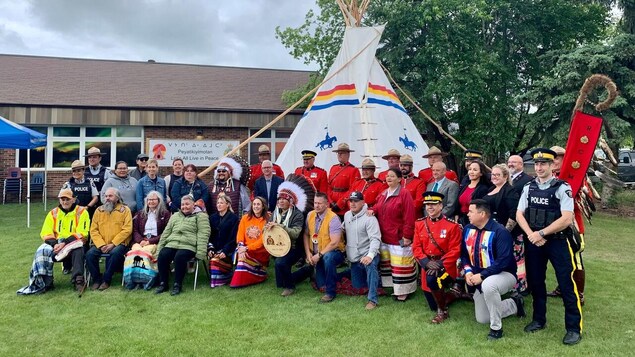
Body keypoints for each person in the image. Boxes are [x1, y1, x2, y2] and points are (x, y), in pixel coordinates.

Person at [516, 148, 583, 345]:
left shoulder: (563, 187)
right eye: (536, 164)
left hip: (558, 242)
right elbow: (520, 214)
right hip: (535, 241)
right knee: (536, 282)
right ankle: (539, 320)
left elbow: (567, 218)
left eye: (543, 163)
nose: (539, 167)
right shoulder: (528, 187)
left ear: (553, 165)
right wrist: (531, 235)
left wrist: (542, 233)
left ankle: (573, 328)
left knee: (566, 284)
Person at [462, 199, 524, 340]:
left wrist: (482, 275)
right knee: (483, 318)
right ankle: (514, 304)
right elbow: (464, 254)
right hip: (479, 276)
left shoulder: (500, 232)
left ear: (482, 214)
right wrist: (468, 271)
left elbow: (503, 261)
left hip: (504, 274)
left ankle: (496, 328)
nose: (467, 214)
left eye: (471, 211)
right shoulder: (467, 229)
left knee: (489, 285)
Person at [17, 187, 90, 295]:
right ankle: (44, 282)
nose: (65, 202)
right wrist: (55, 244)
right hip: (56, 243)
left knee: (78, 249)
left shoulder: (82, 212)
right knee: (42, 250)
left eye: (67, 199)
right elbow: (45, 232)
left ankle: (78, 280)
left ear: (74, 199)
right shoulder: (53, 213)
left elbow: (83, 233)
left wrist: (64, 243)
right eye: (62, 199)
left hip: (74, 242)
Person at [412, 192, 462, 323]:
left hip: (446, 266)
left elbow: (455, 250)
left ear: (441, 206)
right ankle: (455, 293)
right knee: (432, 305)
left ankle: (443, 311)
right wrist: (426, 262)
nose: (430, 207)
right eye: (427, 205)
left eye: (433, 204)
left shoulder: (452, 226)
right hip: (427, 265)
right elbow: (416, 247)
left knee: (433, 279)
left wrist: (440, 264)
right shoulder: (420, 224)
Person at [547, 145, 587, 305]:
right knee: (560, 259)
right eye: (552, 158)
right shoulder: (551, 176)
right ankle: (562, 287)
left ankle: (580, 293)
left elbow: (579, 201)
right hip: (552, 225)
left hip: (571, 225)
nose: (554, 161)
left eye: (557, 157)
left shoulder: (576, 177)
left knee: (576, 258)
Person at [369, 168, 417, 301]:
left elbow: (409, 216)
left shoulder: (404, 193)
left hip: (399, 237)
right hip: (385, 236)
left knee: (401, 264)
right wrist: (372, 210)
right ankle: (393, 287)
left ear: (399, 179)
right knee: (390, 264)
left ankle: (404, 291)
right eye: (387, 176)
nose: (388, 178)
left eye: (392, 176)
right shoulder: (384, 193)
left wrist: (407, 236)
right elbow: (378, 207)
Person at [295, 192, 345, 303]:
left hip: (334, 252)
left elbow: (335, 243)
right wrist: (308, 253)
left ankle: (330, 293)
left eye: (320, 203)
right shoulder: (310, 215)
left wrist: (319, 255)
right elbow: (306, 234)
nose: (316, 206)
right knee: (321, 284)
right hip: (317, 254)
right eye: (315, 203)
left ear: (327, 204)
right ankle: (321, 273)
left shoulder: (333, 218)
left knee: (329, 258)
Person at [156, 194, 210, 295]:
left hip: (189, 245)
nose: (184, 206)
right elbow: (166, 233)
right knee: (163, 255)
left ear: (193, 205)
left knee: (179, 257)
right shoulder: (175, 216)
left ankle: (177, 285)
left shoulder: (201, 216)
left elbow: (203, 234)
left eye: (187, 204)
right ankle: (163, 283)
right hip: (172, 243)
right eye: (182, 204)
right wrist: (160, 248)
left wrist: (201, 252)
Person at [483, 164, 524, 292]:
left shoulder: (510, 190)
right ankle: (497, 286)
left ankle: (518, 289)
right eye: (492, 174)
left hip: (509, 233)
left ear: (505, 176)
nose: (494, 177)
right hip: (491, 232)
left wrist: (505, 232)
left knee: (513, 260)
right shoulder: (490, 189)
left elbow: (514, 213)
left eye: (497, 175)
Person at [86, 187, 133, 290]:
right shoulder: (99, 210)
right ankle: (97, 279)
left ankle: (106, 280)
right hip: (101, 244)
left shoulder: (125, 210)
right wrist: (101, 244)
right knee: (89, 254)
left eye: (110, 196)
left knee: (114, 253)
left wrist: (113, 243)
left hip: (119, 244)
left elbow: (127, 230)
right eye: (106, 196)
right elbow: (93, 230)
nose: (107, 198)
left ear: (117, 198)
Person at [342, 191, 381, 310]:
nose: (353, 204)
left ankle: (372, 299)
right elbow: (343, 227)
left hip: (368, 254)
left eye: (356, 201)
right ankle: (377, 282)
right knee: (358, 286)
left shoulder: (370, 218)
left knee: (371, 267)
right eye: (351, 201)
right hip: (354, 257)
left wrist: (370, 255)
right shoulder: (347, 215)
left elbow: (375, 239)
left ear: (363, 202)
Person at [124, 191, 171, 290]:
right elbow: (135, 230)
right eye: (149, 199)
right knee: (133, 253)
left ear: (159, 201)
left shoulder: (165, 214)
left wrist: (150, 241)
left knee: (144, 253)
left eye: (154, 199)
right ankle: (132, 280)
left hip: (155, 242)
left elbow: (166, 232)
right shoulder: (140, 213)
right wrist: (141, 241)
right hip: (141, 241)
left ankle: (147, 280)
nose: (151, 202)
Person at [269, 181, 306, 297]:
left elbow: (295, 234)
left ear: (290, 201)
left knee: (281, 263)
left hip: (294, 248)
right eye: (279, 199)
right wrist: (267, 228)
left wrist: (281, 227)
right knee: (280, 283)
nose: (280, 201)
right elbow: (270, 228)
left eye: (284, 199)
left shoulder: (297, 214)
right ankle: (307, 271)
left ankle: (290, 288)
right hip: (278, 246)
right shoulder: (275, 213)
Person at [230, 196, 271, 288]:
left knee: (242, 259)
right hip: (244, 249)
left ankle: (259, 276)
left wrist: (247, 248)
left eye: (258, 204)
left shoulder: (268, 220)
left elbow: (263, 240)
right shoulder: (245, 218)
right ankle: (239, 280)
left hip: (260, 252)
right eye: (254, 204)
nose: (256, 206)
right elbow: (240, 235)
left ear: (263, 206)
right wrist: (241, 247)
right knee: (241, 258)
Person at [208, 194, 239, 288]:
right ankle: (218, 278)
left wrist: (225, 251)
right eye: (217, 203)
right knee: (213, 260)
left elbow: (233, 238)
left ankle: (226, 276)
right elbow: (209, 236)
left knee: (215, 261)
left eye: (221, 203)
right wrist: (210, 249)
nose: (219, 205)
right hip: (214, 249)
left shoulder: (234, 218)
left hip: (228, 251)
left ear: (228, 204)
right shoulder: (212, 218)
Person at [327, 143, 360, 215]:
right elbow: (328, 187)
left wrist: (340, 204)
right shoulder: (333, 168)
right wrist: (330, 201)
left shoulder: (354, 170)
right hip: (331, 205)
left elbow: (352, 189)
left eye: (342, 153)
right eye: (338, 153)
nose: (339, 155)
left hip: (343, 207)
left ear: (348, 154)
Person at [456, 160, 491, 226]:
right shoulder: (464, 186)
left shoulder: (483, 189)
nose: (471, 172)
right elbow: (458, 205)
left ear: (481, 173)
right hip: (461, 220)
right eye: (470, 169)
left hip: (474, 222)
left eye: (475, 170)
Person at [399, 154, 426, 219]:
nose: (402, 167)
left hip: (413, 217)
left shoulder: (419, 182)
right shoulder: (397, 181)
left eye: (405, 165)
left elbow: (418, 202)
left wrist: (402, 209)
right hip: (398, 218)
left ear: (411, 166)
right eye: (401, 165)